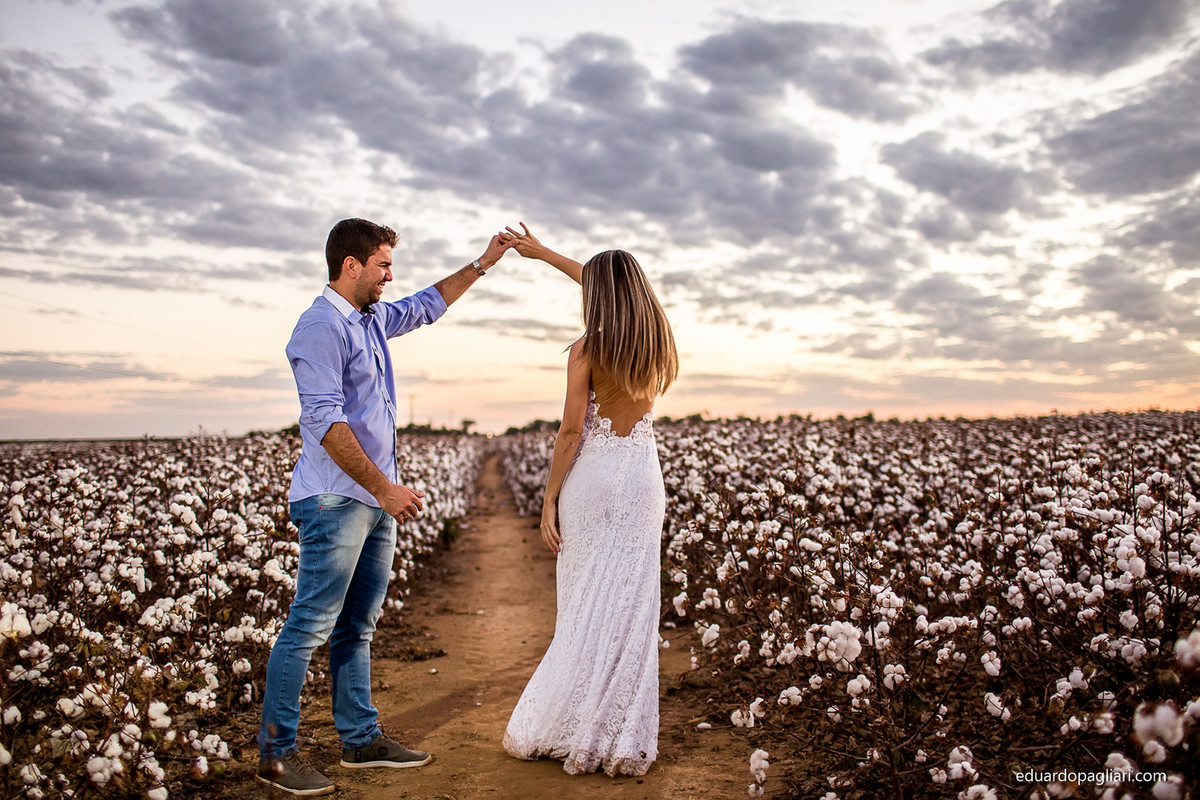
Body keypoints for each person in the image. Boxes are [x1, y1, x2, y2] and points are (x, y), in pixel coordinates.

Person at [257, 218, 514, 796]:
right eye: (383, 265)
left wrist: (484, 262)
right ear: (351, 266)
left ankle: (359, 740)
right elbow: (324, 421)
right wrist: (384, 488)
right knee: (310, 625)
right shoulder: (319, 328)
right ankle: (275, 755)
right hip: (336, 500)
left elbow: (427, 305)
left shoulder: (369, 319)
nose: (390, 277)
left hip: (372, 499)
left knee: (357, 625)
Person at [499, 223, 679, 777]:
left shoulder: (588, 347)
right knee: (631, 608)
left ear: (599, 296)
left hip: (594, 483)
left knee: (583, 604)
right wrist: (544, 254)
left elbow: (571, 433)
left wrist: (549, 498)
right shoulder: (657, 341)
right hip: (643, 481)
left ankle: (576, 725)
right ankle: (619, 735)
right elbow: (613, 290)